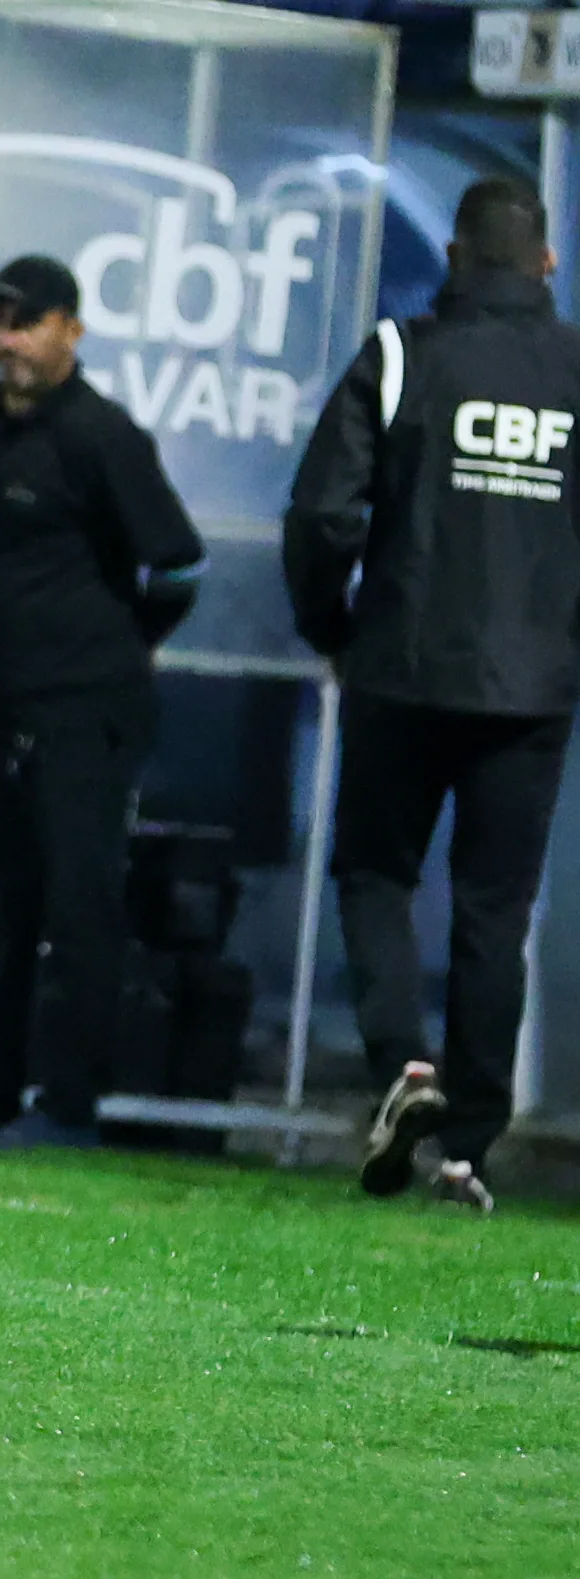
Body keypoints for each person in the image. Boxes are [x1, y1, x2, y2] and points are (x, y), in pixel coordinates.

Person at [284, 177, 580, 1215]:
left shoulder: (400, 353)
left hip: (400, 669)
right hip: (532, 690)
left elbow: (321, 511)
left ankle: (403, 1065)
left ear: (454, 255)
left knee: (373, 874)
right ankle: (466, 1147)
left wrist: (333, 626)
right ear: (544, 261)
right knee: (495, 910)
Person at [0, 255, 203, 1150]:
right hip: (5, 708)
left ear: (72, 329)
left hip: (85, 711)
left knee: (80, 910)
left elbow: (180, 561)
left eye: (27, 321)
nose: (7, 340)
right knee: (0, 908)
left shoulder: (102, 433)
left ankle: (69, 1107)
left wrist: (122, 638)